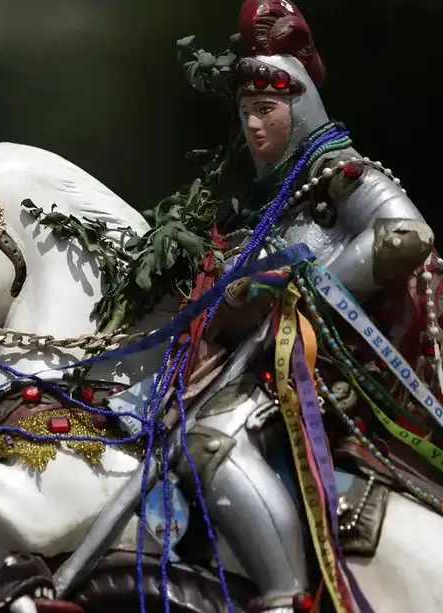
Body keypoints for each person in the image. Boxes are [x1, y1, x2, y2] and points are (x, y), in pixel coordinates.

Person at [186, 1, 436, 611]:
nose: (253, 126)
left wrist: (303, 283)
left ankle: (283, 597)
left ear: (299, 108)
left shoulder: (338, 173)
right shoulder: (259, 202)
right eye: (245, 112)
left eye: (267, 110)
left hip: (334, 375)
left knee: (213, 439)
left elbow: (407, 235)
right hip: (262, 364)